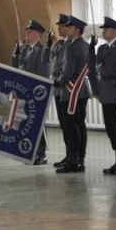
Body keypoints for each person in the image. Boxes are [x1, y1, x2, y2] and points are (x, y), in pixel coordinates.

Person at [90, 16, 116, 175]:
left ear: (114, 31)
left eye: (106, 29)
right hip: (105, 93)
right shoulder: (101, 49)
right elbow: (95, 69)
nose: (103, 32)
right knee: (111, 128)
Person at [11, 20, 50, 164]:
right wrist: (15, 54)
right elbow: (17, 68)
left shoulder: (42, 50)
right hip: (25, 92)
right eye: (27, 31)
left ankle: (42, 152)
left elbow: (43, 74)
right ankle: (32, 150)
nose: (27, 34)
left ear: (38, 34)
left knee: (39, 123)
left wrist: (39, 92)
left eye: (31, 32)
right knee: (29, 123)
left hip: (37, 93)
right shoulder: (26, 49)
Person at [55, 16, 90, 173]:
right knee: (80, 126)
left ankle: (73, 160)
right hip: (82, 90)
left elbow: (67, 72)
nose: (67, 29)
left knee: (71, 127)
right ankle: (80, 159)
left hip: (70, 92)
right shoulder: (86, 46)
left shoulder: (70, 47)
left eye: (70, 27)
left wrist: (58, 81)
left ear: (77, 30)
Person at [49, 14, 70, 168]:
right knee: (64, 124)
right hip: (57, 87)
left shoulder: (71, 45)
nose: (59, 28)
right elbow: (51, 62)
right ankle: (68, 154)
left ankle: (74, 156)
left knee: (70, 124)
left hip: (67, 87)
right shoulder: (58, 45)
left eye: (61, 26)